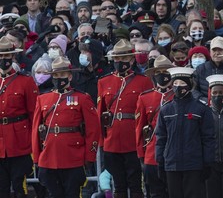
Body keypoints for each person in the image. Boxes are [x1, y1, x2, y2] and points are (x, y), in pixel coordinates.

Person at [31, 56, 100, 198]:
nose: (58, 78)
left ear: (69, 76)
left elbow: (93, 130)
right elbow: (36, 130)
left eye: (62, 75)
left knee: (72, 194)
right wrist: (37, 158)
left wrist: (89, 157)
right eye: (55, 75)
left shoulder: (82, 98)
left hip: (73, 156)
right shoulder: (43, 98)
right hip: (49, 156)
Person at [97, 39, 153, 198]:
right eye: (116, 58)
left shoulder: (144, 81)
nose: (119, 62)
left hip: (133, 140)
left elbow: (147, 114)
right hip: (112, 140)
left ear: (131, 59)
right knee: (118, 186)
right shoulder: (104, 82)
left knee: (136, 186)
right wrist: (102, 141)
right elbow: (100, 115)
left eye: (123, 58)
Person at [155, 67, 215, 198]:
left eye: (182, 83)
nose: (178, 87)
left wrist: (208, 162)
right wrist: (160, 161)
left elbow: (208, 138)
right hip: (172, 164)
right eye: (175, 83)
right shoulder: (166, 110)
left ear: (189, 84)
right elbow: (161, 138)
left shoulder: (201, 109)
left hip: (193, 164)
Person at [0, 36, 39, 198]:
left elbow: (34, 115)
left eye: (7, 56)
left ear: (13, 57)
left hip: (19, 142)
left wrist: (33, 143)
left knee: (19, 186)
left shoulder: (25, 81)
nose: (3, 60)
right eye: (0, 56)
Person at [135, 55, 175, 198]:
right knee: (155, 193)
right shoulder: (145, 98)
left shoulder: (179, 96)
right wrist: (141, 155)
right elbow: (140, 128)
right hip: (152, 155)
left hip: (175, 154)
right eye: (158, 72)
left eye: (165, 71)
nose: (162, 75)